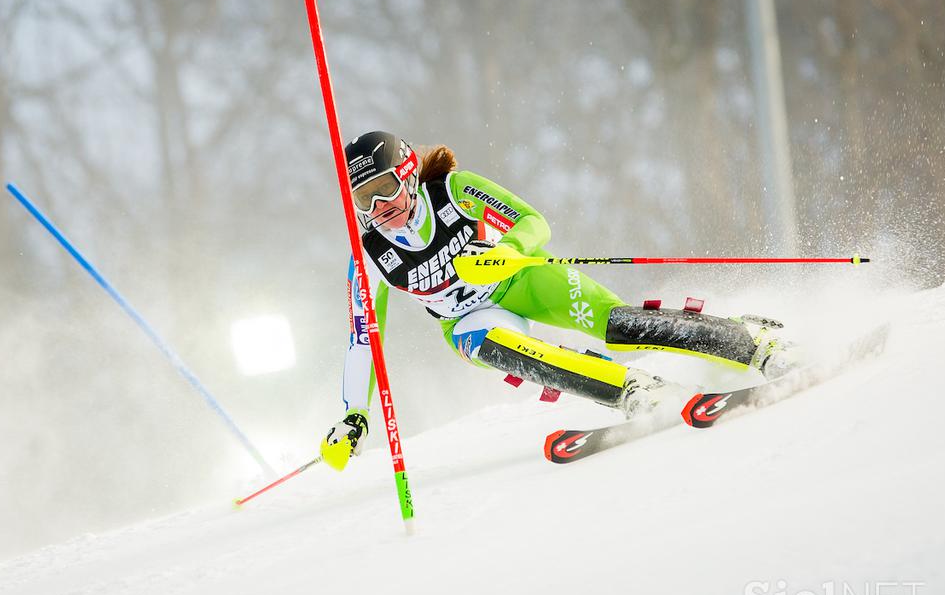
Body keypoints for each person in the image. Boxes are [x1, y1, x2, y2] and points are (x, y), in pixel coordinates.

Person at [321, 130, 796, 468]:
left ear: (406, 175)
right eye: (365, 200)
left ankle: (751, 341)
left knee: (621, 328)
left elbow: (534, 223)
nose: (379, 208)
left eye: (384, 190)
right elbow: (363, 339)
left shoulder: (453, 191)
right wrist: (354, 416)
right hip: (467, 320)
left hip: (523, 279)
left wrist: (506, 252)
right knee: (512, 350)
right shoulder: (367, 256)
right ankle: (635, 391)